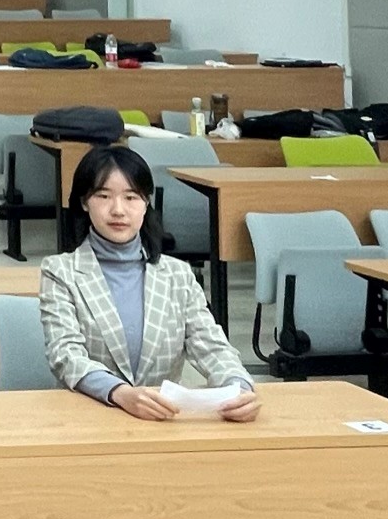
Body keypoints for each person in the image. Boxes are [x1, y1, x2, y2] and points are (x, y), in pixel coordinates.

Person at [40, 144, 259, 422]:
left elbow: (212, 346)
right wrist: (120, 393)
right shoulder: (60, 271)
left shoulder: (178, 274)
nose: (118, 210)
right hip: (87, 420)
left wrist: (239, 387)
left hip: (161, 421)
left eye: (131, 197)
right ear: (84, 202)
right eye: (103, 196)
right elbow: (66, 355)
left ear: (146, 203)